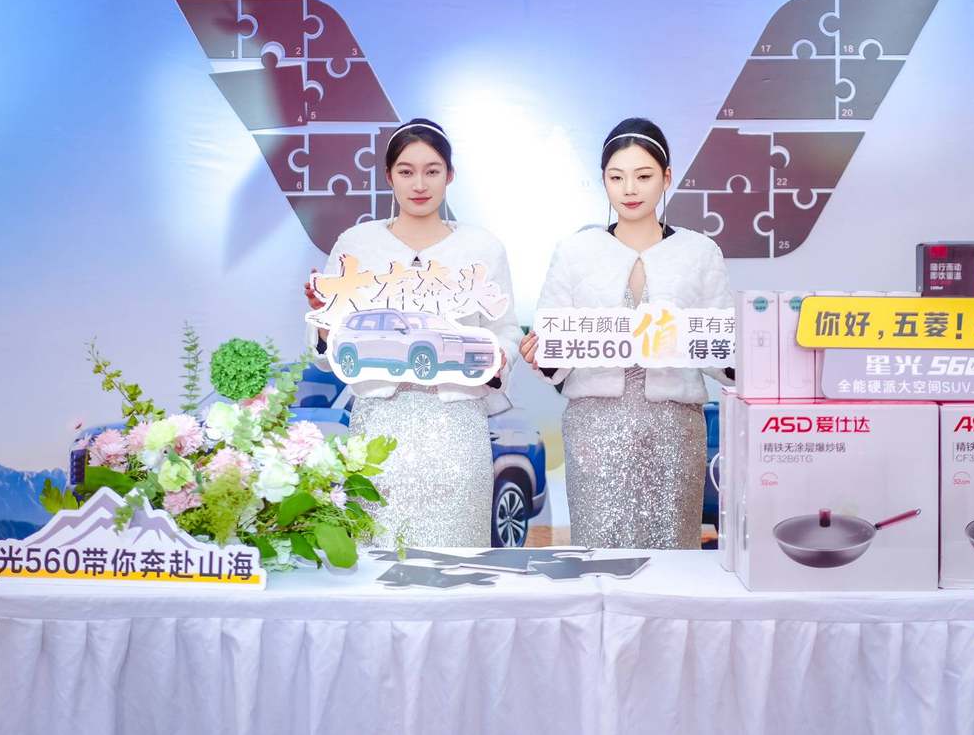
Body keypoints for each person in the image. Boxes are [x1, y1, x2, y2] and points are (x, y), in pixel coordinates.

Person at [304, 118, 521, 547]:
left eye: (432, 171)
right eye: (406, 171)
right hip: (379, 428)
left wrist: (500, 355)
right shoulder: (356, 244)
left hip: (457, 428)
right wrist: (325, 325)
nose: (419, 184)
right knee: (380, 559)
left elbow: (506, 329)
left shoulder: (482, 247)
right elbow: (329, 352)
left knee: (458, 561)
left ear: (450, 175)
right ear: (389, 176)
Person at [520, 118, 733, 549]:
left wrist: (730, 353)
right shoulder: (576, 251)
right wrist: (541, 354)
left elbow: (725, 351)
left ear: (666, 178)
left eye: (644, 176)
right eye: (617, 178)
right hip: (594, 426)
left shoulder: (699, 252)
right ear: (603, 181)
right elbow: (554, 350)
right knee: (598, 553)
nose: (630, 189)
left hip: (675, 427)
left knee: (672, 552)